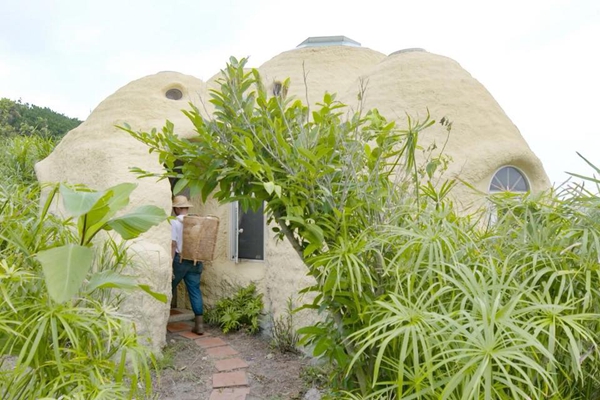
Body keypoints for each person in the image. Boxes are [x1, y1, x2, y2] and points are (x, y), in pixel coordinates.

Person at [171, 195, 204, 334]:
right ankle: (199, 326)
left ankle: (160, 323)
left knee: (168, 288)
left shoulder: (174, 222)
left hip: (180, 260)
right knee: (195, 290)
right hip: (195, 260)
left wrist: (169, 264)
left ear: (177, 208)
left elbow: (173, 244)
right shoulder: (196, 222)